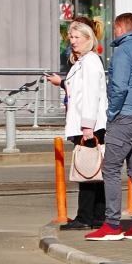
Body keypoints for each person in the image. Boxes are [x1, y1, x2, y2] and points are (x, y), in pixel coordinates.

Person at [86, 12, 132, 241]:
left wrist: (111, 114)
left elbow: (118, 88)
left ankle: (112, 225)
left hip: (125, 115)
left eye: (114, 29)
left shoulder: (123, 52)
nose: (113, 33)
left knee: (111, 169)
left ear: (120, 28)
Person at [46, 19, 108, 229]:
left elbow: (90, 96)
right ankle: (98, 216)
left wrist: (87, 126)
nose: (73, 41)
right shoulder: (83, 61)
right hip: (87, 123)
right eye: (71, 38)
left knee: (87, 171)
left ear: (88, 39)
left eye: (77, 37)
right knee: (95, 171)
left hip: (90, 125)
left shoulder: (89, 62)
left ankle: (85, 218)